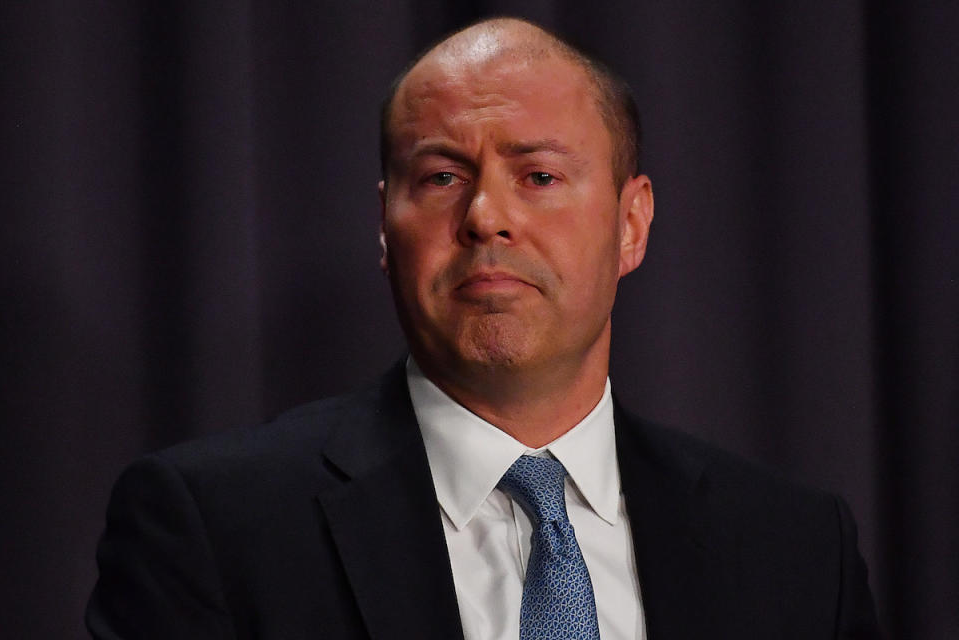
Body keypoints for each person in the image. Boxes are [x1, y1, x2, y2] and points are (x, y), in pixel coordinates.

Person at [87, 17, 881, 639]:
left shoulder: (795, 549)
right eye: (440, 177)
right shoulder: (212, 529)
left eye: (538, 176)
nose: (485, 217)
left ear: (631, 223)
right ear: (383, 227)